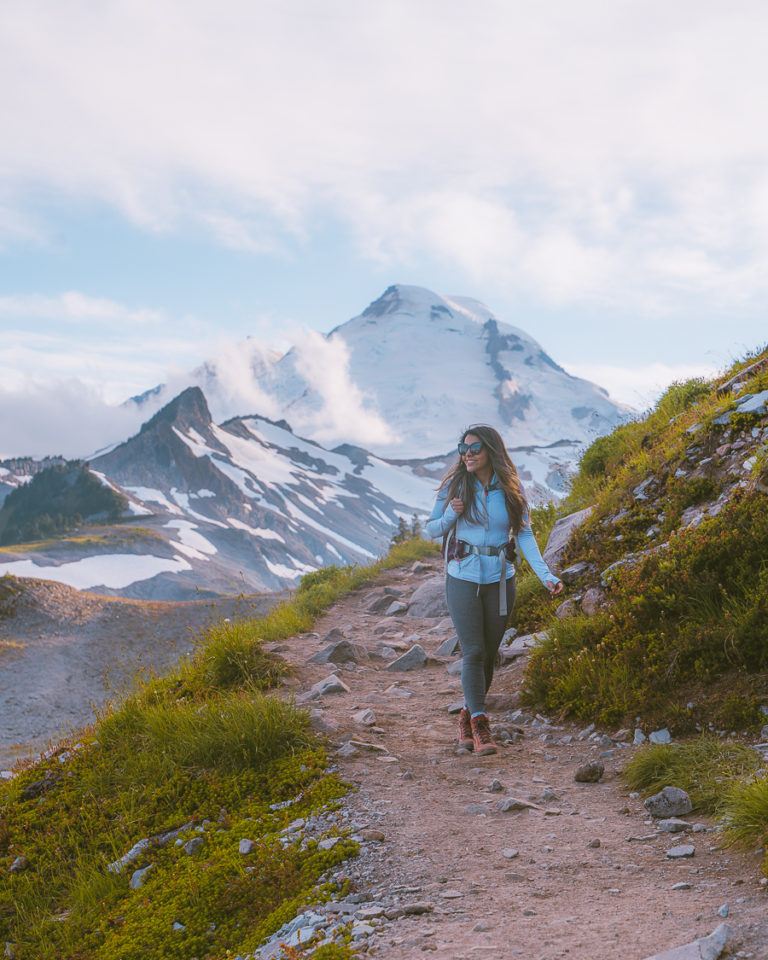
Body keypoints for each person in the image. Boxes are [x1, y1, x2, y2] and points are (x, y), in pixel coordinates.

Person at [425, 424, 563, 756]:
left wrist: (545, 575)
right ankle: (480, 723)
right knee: (472, 652)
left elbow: (525, 534)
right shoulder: (456, 486)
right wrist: (449, 517)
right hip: (462, 576)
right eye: (463, 448)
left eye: (474, 449)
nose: (467, 455)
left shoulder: (511, 489)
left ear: (491, 451)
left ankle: (466, 716)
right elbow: (429, 530)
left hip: (501, 580)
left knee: (489, 653)